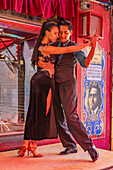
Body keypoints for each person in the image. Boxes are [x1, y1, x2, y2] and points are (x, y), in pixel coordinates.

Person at [17, 21, 92, 157]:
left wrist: (92, 47)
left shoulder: (61, 46)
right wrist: (88, 44)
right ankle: (36, 145)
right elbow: (61, 51)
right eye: (57, 33)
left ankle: (28, 144)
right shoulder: (49, 46)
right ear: (48, 32)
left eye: (63, 32)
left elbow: (83, 62)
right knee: (48, 115)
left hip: (58, 82)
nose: (60, 36)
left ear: (70, 32)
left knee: (62, 115)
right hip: (48, 82)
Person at [39, 20, 99, 162]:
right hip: (54, 83)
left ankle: (89, 147)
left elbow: (85, 64)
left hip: (68, 84)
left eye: (66, 32)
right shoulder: (53, 46)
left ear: (71, 33)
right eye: (61, 32)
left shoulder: (75, 47)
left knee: (71, 116)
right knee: (58, 116)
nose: (63, 35)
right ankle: (70, 145)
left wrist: (93, 48)